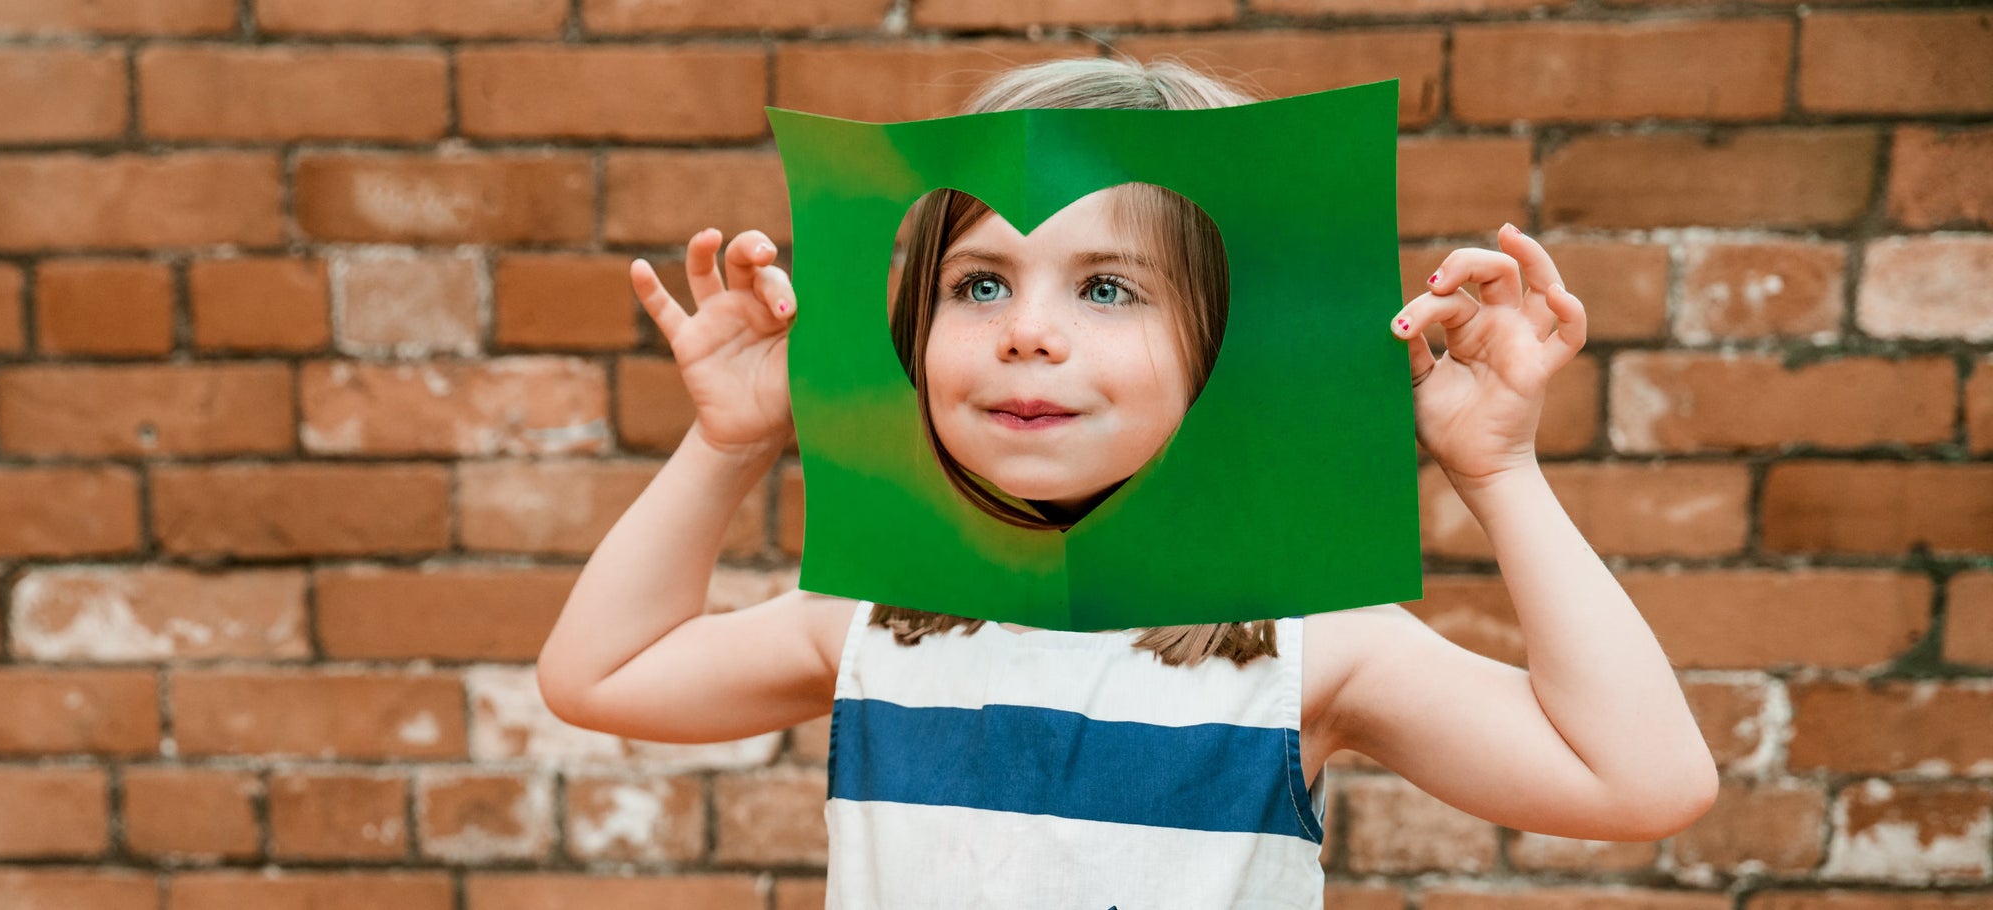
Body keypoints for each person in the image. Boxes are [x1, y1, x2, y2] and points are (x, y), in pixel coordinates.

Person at [536, 56, 1717, 909]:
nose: (1027, 333)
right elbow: (598, 676)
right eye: (980, 283)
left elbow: (1641, 781)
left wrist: (1497, 469)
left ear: (1227, 348)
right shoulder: (868, 620)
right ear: (912, 327)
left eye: (1107, 288)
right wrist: (732, 443)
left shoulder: (1307, 647)